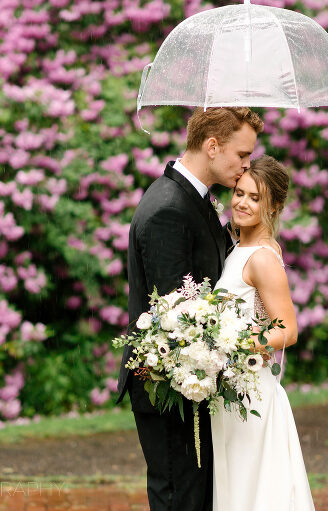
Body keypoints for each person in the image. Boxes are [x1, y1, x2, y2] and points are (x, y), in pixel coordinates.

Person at [116, 107, 264, 511]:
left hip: (192, 386)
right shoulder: (168, 208)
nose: (247, 165)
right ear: (212, 146)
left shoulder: (195, 199)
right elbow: (175, 315)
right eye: (242, 154)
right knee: (180, 501)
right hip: (169, 387)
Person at [211, 155, 315, 511]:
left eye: (255, 198)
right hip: (233, 389)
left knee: (252, 488)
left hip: (251, 393)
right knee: (238, 487)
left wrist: (234, 344)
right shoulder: (240, 249)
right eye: (239, 193)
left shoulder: (262, 258)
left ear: (274, 206)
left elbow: (288, 330)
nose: (242, 203)